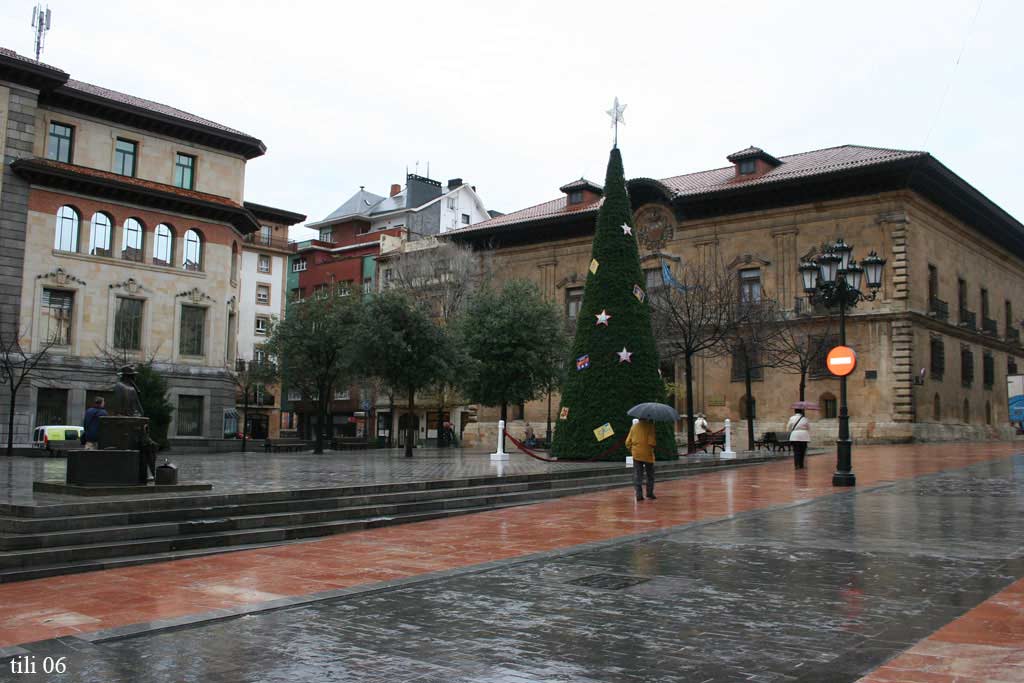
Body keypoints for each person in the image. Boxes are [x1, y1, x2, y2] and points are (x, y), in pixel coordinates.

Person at [626, 417, 657, 501]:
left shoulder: (634, 427)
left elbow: (627, 442)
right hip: (648, 455)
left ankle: (639, 494)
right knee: (650, 474)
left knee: (638, 474)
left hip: (636, 454)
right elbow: (652, 442)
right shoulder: (650, 426)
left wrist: (632, 450)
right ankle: (649, 493)